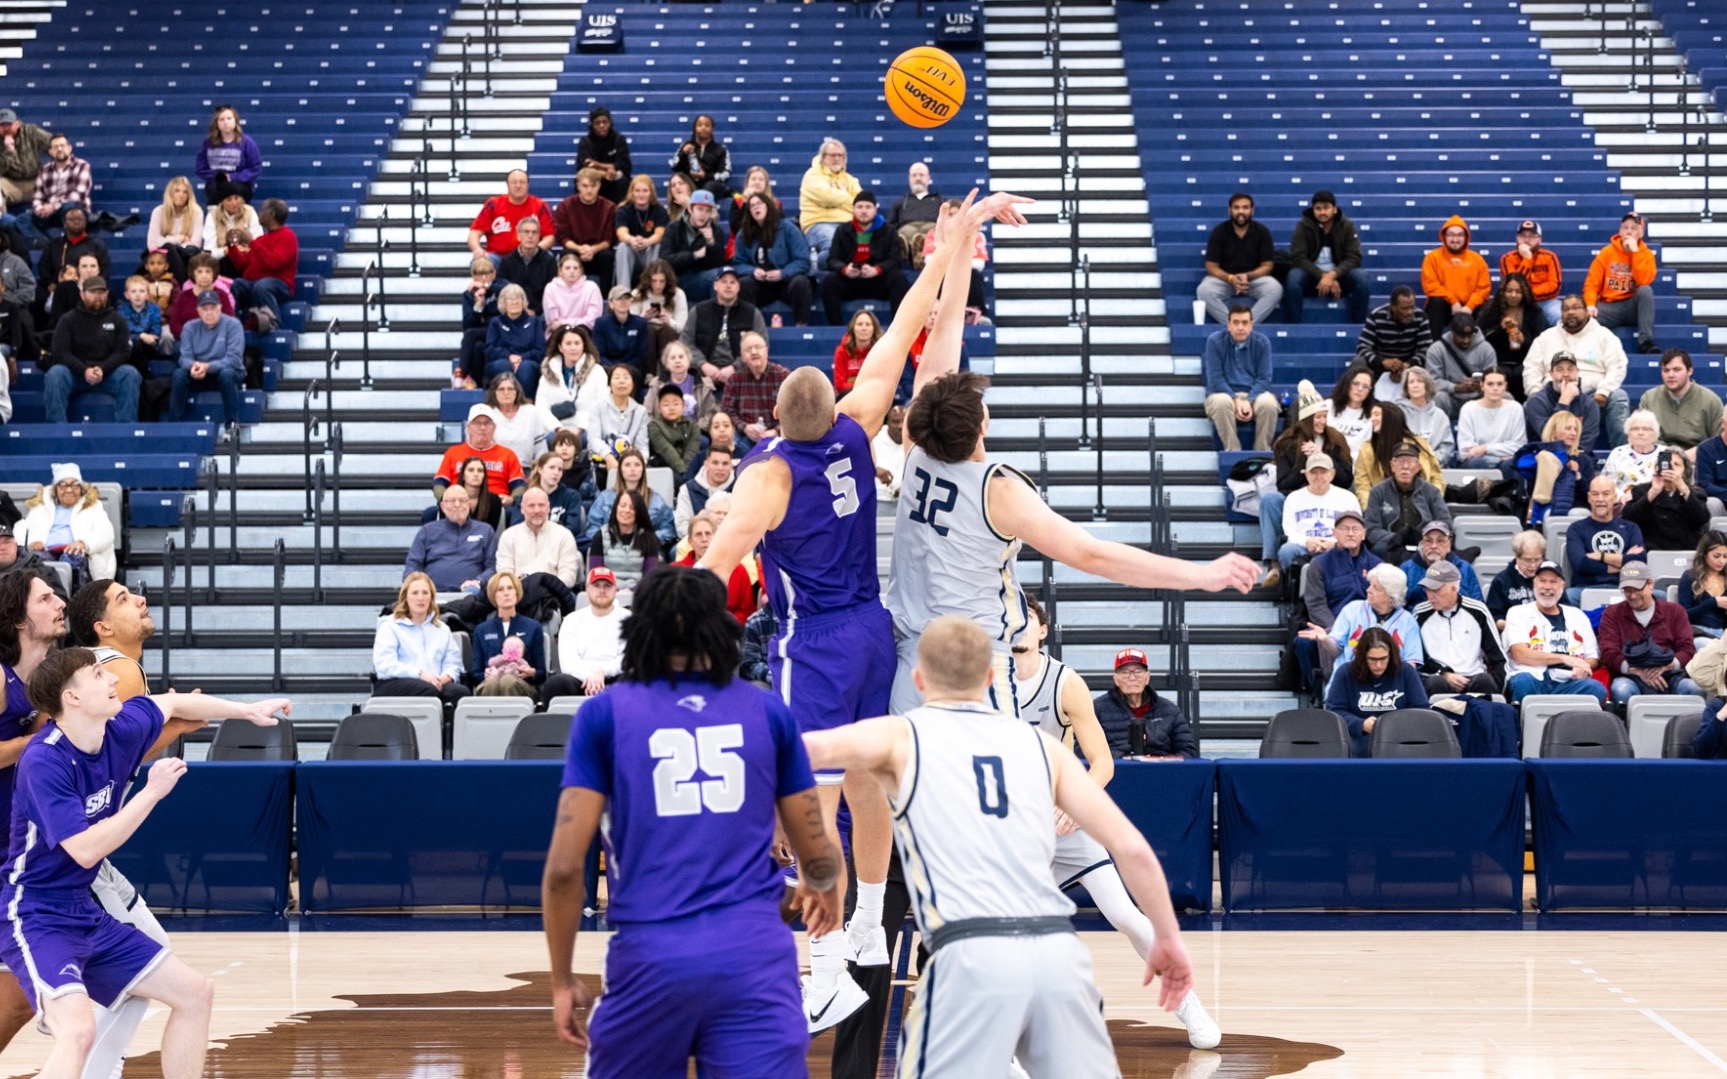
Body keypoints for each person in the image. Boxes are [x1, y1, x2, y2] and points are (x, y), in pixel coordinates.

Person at [698, 193, 1032, 1030]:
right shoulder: (860, 421)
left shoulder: (766, 477)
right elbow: (904, 327)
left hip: (810, 640)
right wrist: (951, 247)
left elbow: (712, 566)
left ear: (772, 414)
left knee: (800, 794)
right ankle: (866, 928)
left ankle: (822, 965)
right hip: (874, 630)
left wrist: (658, 620)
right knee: (868, 777)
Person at [802, 616, 1200, 1077]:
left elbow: (798, 747)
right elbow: (1132, 849)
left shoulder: (901, 737)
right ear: (992, 677)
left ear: (916, 679)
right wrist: (1168, 939)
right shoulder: (1041, 746)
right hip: (1055, 952)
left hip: (972, 951)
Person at [542, 564, 841, 1075]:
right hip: (755, 961)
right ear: (724, 627)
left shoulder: (603, 715)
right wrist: (816, 890)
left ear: (638, 630)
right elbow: (819, 856)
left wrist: (562, 978)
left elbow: (567, 870)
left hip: (650, 960)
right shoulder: (768, 712)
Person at [1, 646, 287, 1079]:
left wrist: (247, 710)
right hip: (35, 913)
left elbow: (174, 702)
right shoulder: (45, 761)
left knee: (195, 994)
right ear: (72, 698)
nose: (114, 679)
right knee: (76, 1032)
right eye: (98, 675)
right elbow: (84, 848)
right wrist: (150, 793)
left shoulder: (121, 728)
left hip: (84, 909)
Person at [1012, 598, 1220, 1047]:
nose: (1015, 623)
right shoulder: (986, 677)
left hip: (1060, 819)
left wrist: (1076, 803)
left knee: (1125, 914)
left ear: (1043, 630)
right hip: (1008, 823)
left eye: (1026, 617)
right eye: (1008, 613)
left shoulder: (1064, 682)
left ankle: (1188, 1003)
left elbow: (1103, 762)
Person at [1257, 381, 1355, 583]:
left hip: (1330, 495)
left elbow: (1347, 478)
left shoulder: (1336, 439)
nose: (1322, 422)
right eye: (1318, 417)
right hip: (1298, 497)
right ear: (1306, 419)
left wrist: (1322, 459)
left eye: (1324, 417)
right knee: (1270, 500)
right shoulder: (1287, 442)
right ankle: (1274, 565)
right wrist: (1307, 467)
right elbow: (1283, 483)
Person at [1296, 562, 1424, 695]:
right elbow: (1335, 649)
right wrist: (1325, 640)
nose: (1368, 590)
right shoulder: (1352, 610)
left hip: (1391, 687)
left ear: (1391, 596)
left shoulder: (1408, 621)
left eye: (1376, 588)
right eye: (1370, 585)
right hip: (1350, 681)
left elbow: (1411, 665)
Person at [1524, 295, 1629, 449]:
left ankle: (1621, 455)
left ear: (1587, 311)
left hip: (1592, 398)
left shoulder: (1604, 335)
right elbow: (1531, 368)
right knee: (1530, 404)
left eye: (1575, 308)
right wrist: (1536, 393)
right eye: (1565, 309)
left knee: (1619, 397)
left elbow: (1617, 366)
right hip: (1552, 396)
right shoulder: (1545, 338)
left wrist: (1604, 391)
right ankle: (1543, 454)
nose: (1570, 312)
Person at [1501, 559, 1607, 705]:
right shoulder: (1518, 613)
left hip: (1568, 682)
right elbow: (1520, 654)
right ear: (1534, 584)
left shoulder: (1577, 615)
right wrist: (1564, 658)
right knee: (1522, 681)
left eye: (1553, 582)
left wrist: (1582, 666)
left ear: (1562, 586)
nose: (1547, 587)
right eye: (1542, 581)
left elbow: (1593, 657)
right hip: (1533, 678)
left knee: (1597, 690)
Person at [1597, 561, 1704, 704]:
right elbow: (1608, 652)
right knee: (1621, 689)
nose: (1633, 596)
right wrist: (1636, 671)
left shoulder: (1675, 611)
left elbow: (1687, 649)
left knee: (1694, 688)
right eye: (1627, 590)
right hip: (1630, 675)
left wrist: (1665, 667)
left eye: (1637, 589)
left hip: (1671, 674)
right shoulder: (1612, 613)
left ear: (1651, 584)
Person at [43, 276, 139, 423]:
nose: (97, 296)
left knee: (130, 374)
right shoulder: (68, 320)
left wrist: (103, 368)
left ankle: (126, 429)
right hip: (75, 374)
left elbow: (123, 351)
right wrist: (84, 370)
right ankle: (57, 428)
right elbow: (60, 352)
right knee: (55, 374)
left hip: (107, 374)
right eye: (92, 292)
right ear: (82, 295)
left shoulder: (117, 319)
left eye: (101, 292)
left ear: (107, 294)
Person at [371, 572, 470, 712]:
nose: (420, 598)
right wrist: (420, 674)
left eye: (425, 593)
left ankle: (447, 733)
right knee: (428, 691)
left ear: (431, 597)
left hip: (434, 683)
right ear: (405, 597)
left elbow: (453, 663)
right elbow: (385, 665)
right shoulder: (390, 626)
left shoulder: (442, 629)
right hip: (395, 682)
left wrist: (445, 677)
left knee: (459, 693)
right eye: (415, 593)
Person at [1325, 625, 1429, 756]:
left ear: (1391, 655)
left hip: (1400, 736)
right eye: (1372, 659)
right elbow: (1334, 711)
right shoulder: (1345, 673)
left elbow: (1421, 709)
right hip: (1358, 737)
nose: (1378, 665)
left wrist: (1394, 726)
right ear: (1362, 657)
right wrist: (1360, 724)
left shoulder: (1406, 671)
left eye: (1383, 659)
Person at [1412, 561, 1507, 697]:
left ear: (1454, 588)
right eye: (1427, 589)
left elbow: (1498, 657)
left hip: (1473, 677)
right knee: (1435, 682)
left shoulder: (1478, 611)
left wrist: (1498, 692)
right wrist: (1444, 673)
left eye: (1435, 589)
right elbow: (1418, 658)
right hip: (1437, 678)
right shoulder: (1420, 613)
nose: (1430, 595)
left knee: (1484, 681)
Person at [1091, 646, 1198, 759]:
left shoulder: (1169, 709)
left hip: (1160, 772)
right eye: (1125, 672)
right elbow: (1082, 751)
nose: (1132, 678)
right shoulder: (1098, 708)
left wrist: (1161, 760)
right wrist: (1121, 758)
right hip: (1117, 772)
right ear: (1116, 678)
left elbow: (1188, 752)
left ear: (1147, 677)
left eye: (1138, 672)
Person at [17, 462, 117, 582]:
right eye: (63, 485)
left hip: (76, 552)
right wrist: (32, 542)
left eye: (74, 485)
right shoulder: (41, 508)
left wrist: (84, 544)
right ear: (56, 490)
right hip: (47, 551)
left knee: (74, 556)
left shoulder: (93, 507)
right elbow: (20, 527)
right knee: (37, 559)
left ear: (81, 489)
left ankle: (75, 599)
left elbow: (106, 532)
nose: (69, 490)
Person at [821, 190, 909, 325]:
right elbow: (832, 260)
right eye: (859, 207)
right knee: (829, 281)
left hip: (877, 280)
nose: (863, 211)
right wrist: (845, 269)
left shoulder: (889, 231)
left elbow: (895, 260)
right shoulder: (842, 230)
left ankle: (898, 326)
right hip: (851, 280)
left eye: (868, 207)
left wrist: (877, 270)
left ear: (875, 209)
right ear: (853, 209)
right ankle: (836, 327)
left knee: (898, 278)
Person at [540, 567, 628, 701]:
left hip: (615, 679)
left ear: (616, 590)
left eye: (607, 586)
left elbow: (627, 660)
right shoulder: (571, 620)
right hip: (581, 681)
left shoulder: (629, 619)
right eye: (596, 585)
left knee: (635, 680)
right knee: (555, 684)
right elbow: (568, 664)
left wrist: (602, 672)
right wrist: (591, 677)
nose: (602, 590)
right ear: (587, 589)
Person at [1282, 188, 1368, 323]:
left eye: (1326, 208)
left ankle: (1359, 326)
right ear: (1313, 210)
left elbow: (1354, 257)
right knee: (1293, 277)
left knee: (1362, 277)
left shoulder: (1347, 225)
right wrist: (1323, 276)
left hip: (1339, 279)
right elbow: (1298, 257)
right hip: (1312, 279)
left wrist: (1333, 275)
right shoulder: (1304, 225)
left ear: (1334, 209)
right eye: (1318, 208)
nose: (1322, 212)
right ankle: (1294, 326)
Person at [1199, 304, 1277, 451]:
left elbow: (1264, 378)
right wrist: (1235, 399)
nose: (1240, 327)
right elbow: (1215, 378)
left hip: (1254, 394)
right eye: (1235, 322)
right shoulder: (1214, 341)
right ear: (1228, 325)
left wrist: (1249, 399)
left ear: (1251, 325)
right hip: (1223, 393)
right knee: (1221, 402)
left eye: (1245, 323)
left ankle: (1261, 452)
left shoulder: (1262, 342)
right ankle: (1233, 453)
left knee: (1269, 403)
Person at [1197, 191, 1280, 324]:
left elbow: (1267, 266)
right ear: (1229, 211)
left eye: (1245, 207)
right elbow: (1211, 266)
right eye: (1236, 207)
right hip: (1225, 280)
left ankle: (1248, 324)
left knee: (1275, 289)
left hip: (1253, 280)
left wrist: (1247, 276)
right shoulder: (1219, 232)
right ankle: (1232, 325)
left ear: (1252, 211)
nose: (1241, 211)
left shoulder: (1262, 232)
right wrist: (1231, 279)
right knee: (1203, 291)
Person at [731, 192, 813, 326]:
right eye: (752, 206)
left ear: (768, 206)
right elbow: (738, 263)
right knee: (744, 284)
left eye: (759, 204)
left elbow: (803, 261)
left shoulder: (788, 229)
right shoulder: (743, 234)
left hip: (787, 282)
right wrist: (753, 271)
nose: (756, 208)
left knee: (801, 282)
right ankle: (750, 328)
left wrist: (783, 273)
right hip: (761, 285)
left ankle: (801, 326)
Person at [496, 486, 580, 616]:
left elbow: (569, 577)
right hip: (517, 596)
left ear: (548, 508)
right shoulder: (508, 536)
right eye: (531, 506)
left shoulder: (564, 535)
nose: (537, 510)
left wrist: (542, 589)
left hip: (554, 595)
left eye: (541, 505)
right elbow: (504, 574)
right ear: (522, 509)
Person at [1271, 453, 1361, 574]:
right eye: (1313, 472)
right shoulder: (1293, 498)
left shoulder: (1348, 498)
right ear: (1306, 474)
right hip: (1303, 546)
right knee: (1286, 550)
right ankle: (1293, 591)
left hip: (1336, 545)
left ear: (1332, 473)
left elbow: (1356, 530)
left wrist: (1335, 543)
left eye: (1323, 472)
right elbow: (1289, 531)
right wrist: (1307, 541)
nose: (1318, 476)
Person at [1361, 442, 1451, 562]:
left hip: (1424, 544)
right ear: (1392, 466)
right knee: (1378, 548)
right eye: (1400, 461)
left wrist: (1427, 539)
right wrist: (1398, 538)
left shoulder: (1431, 491)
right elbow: (1371, 529)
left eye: (1410, 461)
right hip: (1391, 544)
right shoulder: (1377, 492)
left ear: (1418, 466)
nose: (1405, 466)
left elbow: (1445, 524)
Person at [1585, 211, 1659, 355]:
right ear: (1620, 231)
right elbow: (1592, 282)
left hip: (1633, 307)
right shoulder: (1607, 252)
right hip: (1609, 307)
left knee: (1646, 291)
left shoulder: (1646, 255)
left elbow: (1644, 281)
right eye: (1625, 227)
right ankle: (1590, 352)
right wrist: (1590, 304)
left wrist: (1635, 253)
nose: (1629, 231)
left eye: (1633, 228)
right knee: (1584, 315)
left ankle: (1646, 342)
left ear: (1641, 233)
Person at [168, 288, 243, 425]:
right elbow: (184, 358)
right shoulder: (189, 327)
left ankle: (232, 425)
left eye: (213, 308)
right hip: (199, 372)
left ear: (220, 308)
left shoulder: (233, 325)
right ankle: (174, 424)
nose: (209, 313)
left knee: (226, 374)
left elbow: (234, 359)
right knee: (179, 374)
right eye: (205, 309)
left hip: (227, 372)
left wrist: (207, 366)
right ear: (198, 311)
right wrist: (194, 366)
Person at [404, 486, 497, 593]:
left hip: (471, 597)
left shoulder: (485, 530)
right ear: (443, 506)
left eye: (462, 500)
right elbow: (413, 565)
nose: (457, 505)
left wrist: (478, 582)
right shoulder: (427, 531)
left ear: (469, 504)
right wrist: (420, 587)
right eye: (452, 501)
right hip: (432, 596)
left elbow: (493, 567)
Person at [1566, 474, 1648, 596]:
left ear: (1614, 497)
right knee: (1568, 596)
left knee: (1660, 595)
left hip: (1626, 590)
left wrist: (1600, 556)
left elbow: (1639, 562)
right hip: (1586, 590)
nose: (1600, 499)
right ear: (1589, 498)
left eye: (1605, 494)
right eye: (1595, 494)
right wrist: (1624, 561)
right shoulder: (1576, 528)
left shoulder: (1631, 528)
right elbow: (1581, 564)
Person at [1300, 508, 1381, 631]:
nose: (1350, 533)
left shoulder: (1377, 565)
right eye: (1344, 529)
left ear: (1364, 534)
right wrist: (1335, 630)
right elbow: (1316, 604)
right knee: (1304, 641)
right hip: (1331, 626)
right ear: (1334, 533)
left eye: (1355, 529)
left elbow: (1383, 601)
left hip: (1369, 627)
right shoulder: (1319, 564)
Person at [433, 403, 526, 505]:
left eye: (487, 423)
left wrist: (512, 499)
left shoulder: (508, 454)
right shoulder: (453, 453)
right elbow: (439, 483)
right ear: (468, 428)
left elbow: (519, 485)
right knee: (430, 514)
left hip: (498, 504)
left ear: (494, 428)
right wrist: (445, 499)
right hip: (459, 504)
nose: (482, 428)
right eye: (477, 423)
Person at [468, 572, 543, 698]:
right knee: (491, 683)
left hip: (523, 685)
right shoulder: (481, 630)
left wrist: (531, 672)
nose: (506, 593)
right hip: (491, 683)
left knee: (507, 681)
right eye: (500, 589)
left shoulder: (533, 627)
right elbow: (475, 674)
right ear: (493, 595)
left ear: (516, 592)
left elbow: (542, 673)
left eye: (510, 588)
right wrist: (485, 674)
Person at [682, 267, 765, 380]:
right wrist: (702, 364)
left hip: (742, 373)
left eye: (732, 282)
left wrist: (735, 367)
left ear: (739, 287)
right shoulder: (698, 311)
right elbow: (685, 342)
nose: (728, 286)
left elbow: (762, 345)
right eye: (724, 281)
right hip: (701, 373)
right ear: (715, 285)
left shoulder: (752, 313)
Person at [584, 447, 676, 548]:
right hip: (611, 549)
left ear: (643, 469)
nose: (632, 469)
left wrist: (649, 540)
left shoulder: (656, 500)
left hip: (647, 549)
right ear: (620, 470)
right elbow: (592, 528)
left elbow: (669, 529)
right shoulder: (605, 498)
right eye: (627, 465)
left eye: (637, 465)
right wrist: (610, 540)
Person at [225, 197, 297, 325]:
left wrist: (252, 242)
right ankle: (233, 324)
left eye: (262, 210)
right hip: (256, 283)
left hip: (279, 284)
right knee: (237, 284)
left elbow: (274, 263)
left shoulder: (287, 236)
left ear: (272, 214)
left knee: (262, 286)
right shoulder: (261, 240)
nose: (259, 213)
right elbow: (243, 266)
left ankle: (273, 323)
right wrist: (231, 246)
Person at [675, 512, 755, 624]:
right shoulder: (675, 571)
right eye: (698, 534)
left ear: (716, 538)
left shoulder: (737, 569)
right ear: (690, 542)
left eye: (708, 534)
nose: (704, 539)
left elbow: (747, 611)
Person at [1624, 448, 1710, 553]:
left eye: (1676, 464)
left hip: (1686, 549)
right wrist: (1654, 491)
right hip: (1651, 549)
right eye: (1667, 463)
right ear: (1657, 467)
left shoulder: (1695, 493)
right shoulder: (1641, 490)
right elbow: (1629, 518)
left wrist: (1683, 488)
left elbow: (1701, 519)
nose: (1671, 467)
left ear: (1685, 471)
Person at [1478, 272, 1548, 399]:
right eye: (1509, 291)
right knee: (1504, 373)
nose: (1513, 295)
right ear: (1502, 291)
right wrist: (1500, 328)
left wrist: (1523, 340)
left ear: (1524, 293)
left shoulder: (1534, 312)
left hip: (1525, 360)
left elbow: (1542, 343)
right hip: (1497, 359)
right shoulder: (1491, 310)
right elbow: (1480, 337)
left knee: (1521, 373)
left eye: (1518, 292)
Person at [537, 324, 609, 448]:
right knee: (546, 440)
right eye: (568, 343)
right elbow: (541, 408)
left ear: (583, 346)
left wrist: (579, 430)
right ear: (560, 347)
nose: (573, 348)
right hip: (556, 430)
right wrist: (559, 430)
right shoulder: (547, 373)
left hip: (586, 429)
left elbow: (602, 406)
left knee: (591, 439)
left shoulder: (597, 371)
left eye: (577, 343)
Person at [1640, 348, 1723, 455]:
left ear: (1690, 371)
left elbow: (1718, 441)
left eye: (1677, 369)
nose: (1671, 375)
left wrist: (1684, 458)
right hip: (1659, 458)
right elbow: (1644, 436)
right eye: (1666, 370)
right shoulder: (1648, 398)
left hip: (1698, 460)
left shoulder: (1711, 401)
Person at [1420, 214, 1491, 338]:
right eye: (1451, 235)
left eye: (1459, 235)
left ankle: (1481, 351)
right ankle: (1432, 351)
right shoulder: (1432, 257)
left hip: (1470, 308)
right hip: (1445, 307)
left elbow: (1483, 289)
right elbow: (1430, 286)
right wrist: (1453, 301)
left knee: (1486, 307)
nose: (1455, 239)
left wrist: (1469, 306)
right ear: (1444, 236)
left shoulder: (1477, 259)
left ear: (1466, 237)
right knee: (1435, 302)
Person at [1522, 349, 1604, 455]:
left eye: (1570, 369)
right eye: (1560, 370)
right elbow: (1550, 438)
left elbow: (1586, 443)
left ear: (1577, 372)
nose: (1566, 374)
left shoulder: (1589, 404)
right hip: (1543, 456)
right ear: (1551, 373)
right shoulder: (1536, 401)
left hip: (1578, 457)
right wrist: (1564, 402)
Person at [799, 138, 862, 269]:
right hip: (819, 223)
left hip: (848, 224)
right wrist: (848, 201)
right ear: (823, 157)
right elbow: (826, 197)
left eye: (840, 156)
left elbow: (860, 203)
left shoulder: (850, 179)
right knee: (833, 246)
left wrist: (837, 201)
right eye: (833, 155)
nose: (837, 159)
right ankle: (811, 268)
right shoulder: (812, 175)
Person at [15, 134, 91, 244]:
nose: (59, 149)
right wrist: (39, 209)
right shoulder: (45, 169)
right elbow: (37, 196)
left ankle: (71, 244)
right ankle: (48, 245)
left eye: (62, 146)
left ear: (69, 148)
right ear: (50, 152)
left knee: (69, 207)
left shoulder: (82, 165)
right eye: (55, 147)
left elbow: (79, 194)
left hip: (75, 211)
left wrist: (53, 206)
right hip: (51, 214)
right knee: (22, 219)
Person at [468, 169, 554, 264]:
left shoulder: (539, 205)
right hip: (498, 258)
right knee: (479, 261)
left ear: (528, 185)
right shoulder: (493, 204)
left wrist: (535, 250)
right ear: (507, 184)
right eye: (514, 182)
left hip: (528, 258)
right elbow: (474, 232)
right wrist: (477, 249)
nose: (518, 186)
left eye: (522, 182)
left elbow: (550, 237)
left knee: (548, 257)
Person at [721, 329, 791, 445]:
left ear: (767, 351)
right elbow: (727, 411)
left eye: (758, 347)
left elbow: (794, 410)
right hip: (745, 436)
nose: (754, 352)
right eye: (748, 349)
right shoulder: (734, 380)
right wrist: (745, 427)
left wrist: (776, 431)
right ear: (743, 357)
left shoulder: (784, 376)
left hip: (778, 435)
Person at [661, 188, 729, 303]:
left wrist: (711, 244)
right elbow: (665, 259)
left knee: (720, 277)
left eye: (707, 211)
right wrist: (694, 255)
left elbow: (717, 265)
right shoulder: (674, 228)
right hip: (675, 279)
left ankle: (717, 316)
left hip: (699, 280)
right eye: (700, 209)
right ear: (690, 209)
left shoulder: (716, 231)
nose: (703, 215)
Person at [1424, 312, 1497, 419]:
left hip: (1480, 399)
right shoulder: (1436, 349)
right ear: (1452, 332)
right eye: (1461, 336)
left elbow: (1494, 378)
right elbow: (1431, 382)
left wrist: (1482, 386)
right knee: (1438, 397)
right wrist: (1455, 388)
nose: (1466, 340)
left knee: (1505, 397)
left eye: (1469, 336)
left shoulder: (1486, 349)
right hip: (1451, 398)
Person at [1354, 284, 1433, 382]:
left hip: (1410, 364)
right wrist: (1382, 361)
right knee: (1358, 362)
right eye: (1404, 308)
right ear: (1393, 307)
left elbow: (1426, 349)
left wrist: (1408, 365)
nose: (1410, 312)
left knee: (1431, 362)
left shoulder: (1420, 316)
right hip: (1379, 364)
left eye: (1412, 307)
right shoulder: (1376, 316)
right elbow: (1362, 347)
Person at [552, 167, 616, 287]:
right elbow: (563, 237)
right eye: (585, 186)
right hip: (575, 250)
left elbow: (609, 239)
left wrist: (592, 250)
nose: (589, 190)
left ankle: (605, 298)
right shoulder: (565, 206)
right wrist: (579, 248)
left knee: (607, 256)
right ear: (578, 186)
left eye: (593, 186)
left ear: (599, 186)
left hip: (599, 253)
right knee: (567, 254)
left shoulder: (609, 207)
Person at [1399, 520, 1483, 606]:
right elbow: (1398, 607)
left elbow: (1477, 604)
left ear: (1449, 546)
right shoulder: (1407, 568)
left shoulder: (1464, 568)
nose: (1434, 546)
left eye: (1440, 541)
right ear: (1422, 544)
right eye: (1428, 541)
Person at [588, 490, 660, 589]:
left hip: (638, 594)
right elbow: (596, 575)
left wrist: (632, 592)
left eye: (632, 508)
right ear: (615, 508)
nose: (626, 510)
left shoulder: (648, 538)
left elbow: (650, 577)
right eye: (623, 505)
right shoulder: (600, 536)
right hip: (607, 593)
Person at [484, 284, 545, 399]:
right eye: (510, 299)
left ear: (523, 301)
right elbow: (490, 349)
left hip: (528, 361)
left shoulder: (534, 321)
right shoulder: (496, 322)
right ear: (503, 302)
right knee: (503, 365)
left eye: (518, 298)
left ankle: (525, 404)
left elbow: (540, 349)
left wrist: (521, 357)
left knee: (526, 367)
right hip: (502, 360)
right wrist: (509, 356)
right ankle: (502, 403)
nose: (514, 302)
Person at [1498, 219, 1564, 325]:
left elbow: (1554, 286)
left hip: (1546, 302)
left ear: (1539, 240)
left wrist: (1528, 294)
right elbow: (1515, 286)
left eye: (1532, 236)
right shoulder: (1507, 259)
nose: (1527, 240)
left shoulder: (1550, 257)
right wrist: (1527, 259)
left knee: (1559, 315)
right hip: (1517, 302)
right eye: (1523, 236)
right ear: (1517, 238)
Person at [194, 105, 262, 204]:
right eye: (221, 119)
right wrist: (221, 177)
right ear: (216, 123)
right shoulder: (208, 144)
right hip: (216, 185)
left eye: (229, 118)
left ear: (235, 121)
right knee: (216, 189)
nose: (226, 122)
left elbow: (255, 168)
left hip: (241, 185)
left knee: (231, 189)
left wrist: (233, 177)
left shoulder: (247, 142)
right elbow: (200, 169)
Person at [1457, 367, 1525, 467]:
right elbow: (1466, 451)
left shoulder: (1516, 408)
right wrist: (1498, 458)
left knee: (1511, 464)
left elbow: (1519, 446)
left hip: (1505, 463)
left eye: (1499, 384)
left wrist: (1485, 448)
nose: (1495, 388)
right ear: (1482, 385)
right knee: (1476, 463)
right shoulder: (1468, 409)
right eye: (1490, 384)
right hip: (1478, 462)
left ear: (1505, 386)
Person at [612, 174, 669, 292]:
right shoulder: (624, 210)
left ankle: (653, 290)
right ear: (631, 193)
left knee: (657, 246)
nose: (641, 194)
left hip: (649, 249)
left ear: (651, 193)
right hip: (632, 250)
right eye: (637, 191)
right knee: (623, 246)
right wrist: (631, 240)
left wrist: (647, 241)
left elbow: (660, 234)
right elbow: (621, 233)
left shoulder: (659, 210)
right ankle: (624, 292)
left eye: (645, 191)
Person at [586, 364, 647, 467]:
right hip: (602, 460)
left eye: (626, 378)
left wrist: (640, 460)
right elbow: (594, 439)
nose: (621, 381)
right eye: (617, 377)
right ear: (609, 384)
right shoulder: (598, 406)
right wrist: (608, 456)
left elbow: (642, 445)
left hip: (630, 463)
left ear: (633, 384)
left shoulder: (640, 411)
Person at [497, 217, 558, 315]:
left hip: (540, 313)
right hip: (513, 311)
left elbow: (553, 294)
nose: (530, 236)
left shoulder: (549, 261)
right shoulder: (507, 261)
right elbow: (500, 289)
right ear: (518, 236)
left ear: (539, 236)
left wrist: (535, 311)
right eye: (526, 232)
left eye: (534, 232)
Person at [1487, 530, 1547, 628]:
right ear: (1517, 557)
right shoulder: (1501, 581)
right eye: (1527, 560)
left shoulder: (1551, 577)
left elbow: (1564, 608)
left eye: (1537, 560)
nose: (1533, 565)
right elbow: (1493, 617)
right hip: (1513, 631)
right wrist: (1512, 625)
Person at [630, 259, 688, 360]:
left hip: (669, 333)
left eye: (662, 281)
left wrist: (669, 321)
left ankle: (667, 372)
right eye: (654, 281)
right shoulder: (637, 294)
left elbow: (683, 327)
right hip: (645, 332)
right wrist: (642, 318)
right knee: (649, 330)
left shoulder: (678, 294)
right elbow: (630, 326)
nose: (658, 285)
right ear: (648, 281)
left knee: (665, 331)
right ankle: (649, 374)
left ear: (667, 281)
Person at [1397, 367, 1456, 466]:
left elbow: (1446, 447)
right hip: (1404, 467)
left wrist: (1429, 462)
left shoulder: (1440, 415)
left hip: (1434, 467)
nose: (1415, 385)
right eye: (1411, 382)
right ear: (1406, 387)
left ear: (1427, 385)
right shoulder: (1397, 413)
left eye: (1420, 381)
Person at [456, 257, 501, 387]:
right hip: (479, 334)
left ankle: (461, 374)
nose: (482, 278)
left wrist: (488, 290)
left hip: (498, 330)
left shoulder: (499, 289)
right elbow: (468, 324)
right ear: (472, 276)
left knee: (470, 334)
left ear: (493, 274)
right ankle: (479, 384)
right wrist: (478, 306)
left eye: (486, 274)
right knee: (478, 347)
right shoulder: (468, 295)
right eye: (478, 274)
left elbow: (496, 316)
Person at [674, 444, 736, 536]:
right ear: (706, 464)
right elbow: (681, 527)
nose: (720, 468)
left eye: (725, 464)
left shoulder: (740, 488)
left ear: (731, 466)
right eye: (715, 463)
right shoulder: (687, 489)